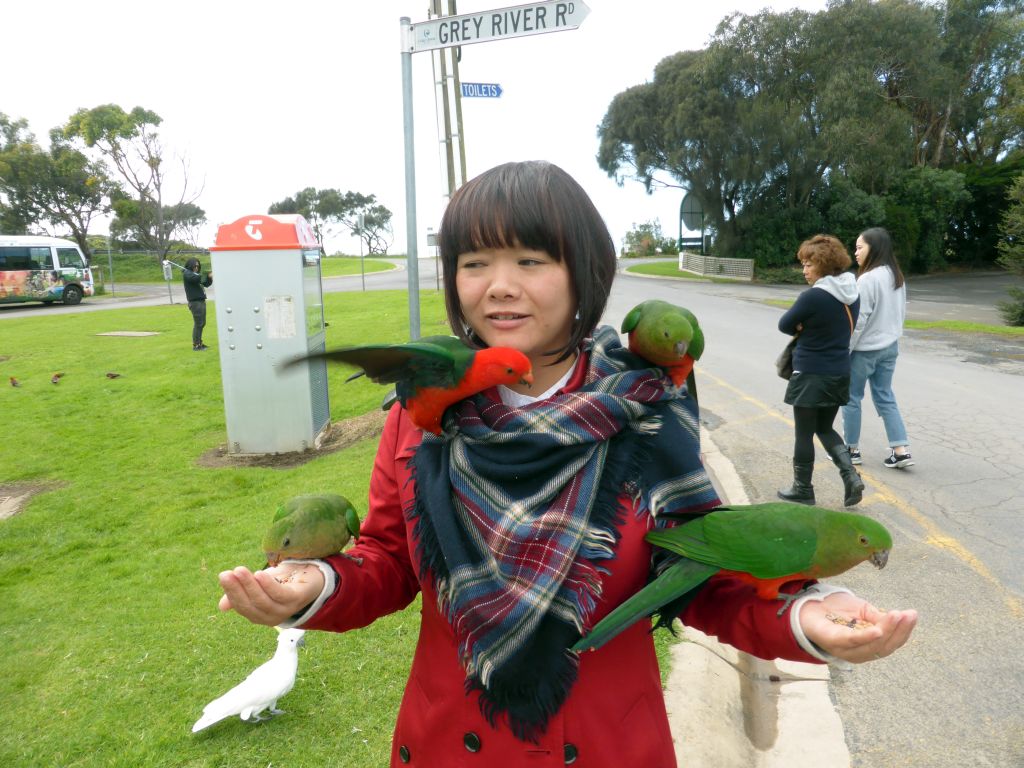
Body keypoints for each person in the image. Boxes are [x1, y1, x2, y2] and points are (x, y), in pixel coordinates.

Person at [217, 163, 917, 768]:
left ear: (582, 273)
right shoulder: (420, 413)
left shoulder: (650, 406)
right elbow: (390, 561)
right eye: (473, 262)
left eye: (530, 261)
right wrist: (316, 584)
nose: (498, 286)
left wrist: (803, 615)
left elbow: (702, 576)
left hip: (607, 742)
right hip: (447, 741)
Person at [777, 235, 865, 507]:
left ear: (825, 264)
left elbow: (784, 324)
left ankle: (803, 488)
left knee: (804, 433)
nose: (804, 270)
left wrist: (803, 327)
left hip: (811, 373)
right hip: (839, 372)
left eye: (809, 264)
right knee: (825, 427)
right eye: (803, 264)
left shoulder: (813, 296)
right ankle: (850, 476)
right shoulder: (852, 294)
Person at [842, 227, 914, 469]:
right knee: (885, 396)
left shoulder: (867, 279)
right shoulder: (896, 276)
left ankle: (851, 450)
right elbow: (900, 312)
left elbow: (858, 321)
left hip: (865, 350)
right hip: (890, 347)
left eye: (860, 247)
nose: (856, 253)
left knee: (851, 398)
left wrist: (846, 350)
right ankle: (901, 451)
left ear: (875, 248)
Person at [182, 257, 213, 351]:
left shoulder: (195, 275)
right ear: (190, 265)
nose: (196, 267)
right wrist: (206, 274)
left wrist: (209, 278)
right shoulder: (187, 273)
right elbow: (196, 278)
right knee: (199, 323)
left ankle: (199, 343)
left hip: (201, 301)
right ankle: (196, 345)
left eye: (198, 266)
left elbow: (206, 283)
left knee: (202, 323)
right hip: (195, 303)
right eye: (195, 266)